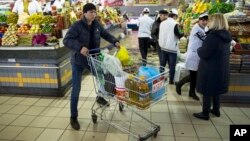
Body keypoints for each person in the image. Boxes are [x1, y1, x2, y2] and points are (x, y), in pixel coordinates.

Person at [63, 3, 120, 130]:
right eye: (90, 12)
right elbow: (66, 40)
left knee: (104, 76)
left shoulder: (97, 24)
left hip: (94, 58)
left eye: (94, 12)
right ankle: (73, 117)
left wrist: (115, 41)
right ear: (84, 13)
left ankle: (100, 97)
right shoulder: (76, 26)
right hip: (78, 61)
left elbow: (105, 34)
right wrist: (80, 47)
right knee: (76, 90)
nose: (93, 14)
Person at [193, 14, 232, 120]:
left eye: (210, 21)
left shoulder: (213, 36)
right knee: (216, 90)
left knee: (207, 90)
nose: (208, 22)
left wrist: (199, 50)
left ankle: (205, 113)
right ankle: (216, 110)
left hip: (210, 68)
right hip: (221, 67)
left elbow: (205, 53)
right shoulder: (226, 35)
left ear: (215, 22)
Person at [175, 13, 208, 100]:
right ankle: (185, 88)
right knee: (194, 75)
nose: (204, 22)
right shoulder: (197, 29)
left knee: (194, 75)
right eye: (202, 20)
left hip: (197, 55)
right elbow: (205, 39)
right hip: (194, 55)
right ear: (199, 20)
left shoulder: (203, 28)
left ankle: (188, 90)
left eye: (206, 20)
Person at [158, 8, 183, 84]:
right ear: (175, 16)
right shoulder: (175, 24)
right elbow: (178, 35)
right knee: (172, 66)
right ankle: (171, 81)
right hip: (171, 49)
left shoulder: (162, 23)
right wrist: (183, 33)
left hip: (163, 47)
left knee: (162, 64)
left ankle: (161, 78)